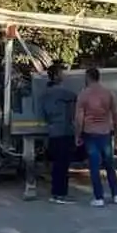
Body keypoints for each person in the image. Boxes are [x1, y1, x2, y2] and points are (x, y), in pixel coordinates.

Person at [75, 65, 117, 208]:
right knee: (109, 165)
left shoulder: (84, 94)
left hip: (90, 133)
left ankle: (99, 197)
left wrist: (77, 135)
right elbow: (115, 114)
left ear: (88, 78)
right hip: (105, 133)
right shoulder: (108, 93)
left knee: (94, 167)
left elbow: (79, 118)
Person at [39, 60, 79, 204]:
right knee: (63, 165)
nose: (64, 75)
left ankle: (56, 193)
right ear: (56, 76)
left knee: (57, 165)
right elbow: (76, 97)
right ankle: (61, 195)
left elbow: (43, 114)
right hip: (64, 131)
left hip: (52, 132)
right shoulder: (62, 92)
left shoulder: (44, 94)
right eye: (61, 73)